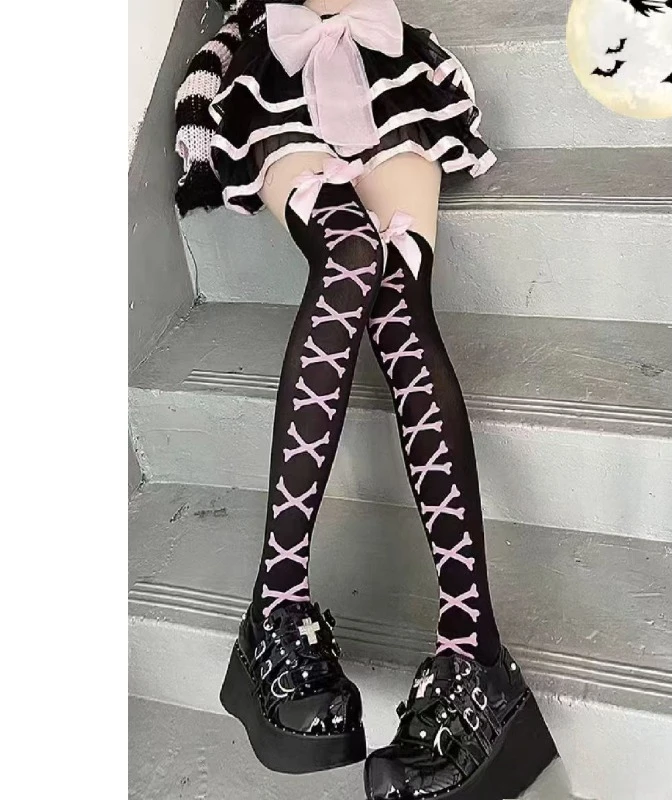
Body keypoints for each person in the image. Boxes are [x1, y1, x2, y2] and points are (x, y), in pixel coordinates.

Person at [174, 1, 557, 797]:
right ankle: (276, 603)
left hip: (390, 84)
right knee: (350, 255)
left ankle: (474, 651)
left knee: (399, 292)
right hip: (281, 89)